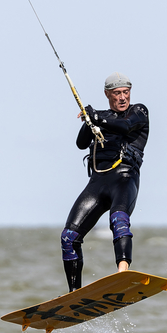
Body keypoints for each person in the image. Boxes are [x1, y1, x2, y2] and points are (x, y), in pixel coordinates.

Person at [60, 71, 149, 291]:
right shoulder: (102, 120)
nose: (122, 98)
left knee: (118, 220)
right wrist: (89, 121)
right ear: (107, 94)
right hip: (98, 184)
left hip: (125, 179)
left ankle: (123, 271)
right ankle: (74, 294)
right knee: (68, 237)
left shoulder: (138, 112)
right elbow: (81, 143)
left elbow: (125, 126)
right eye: (117, 93)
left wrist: (96, 115)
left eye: (125, 92)